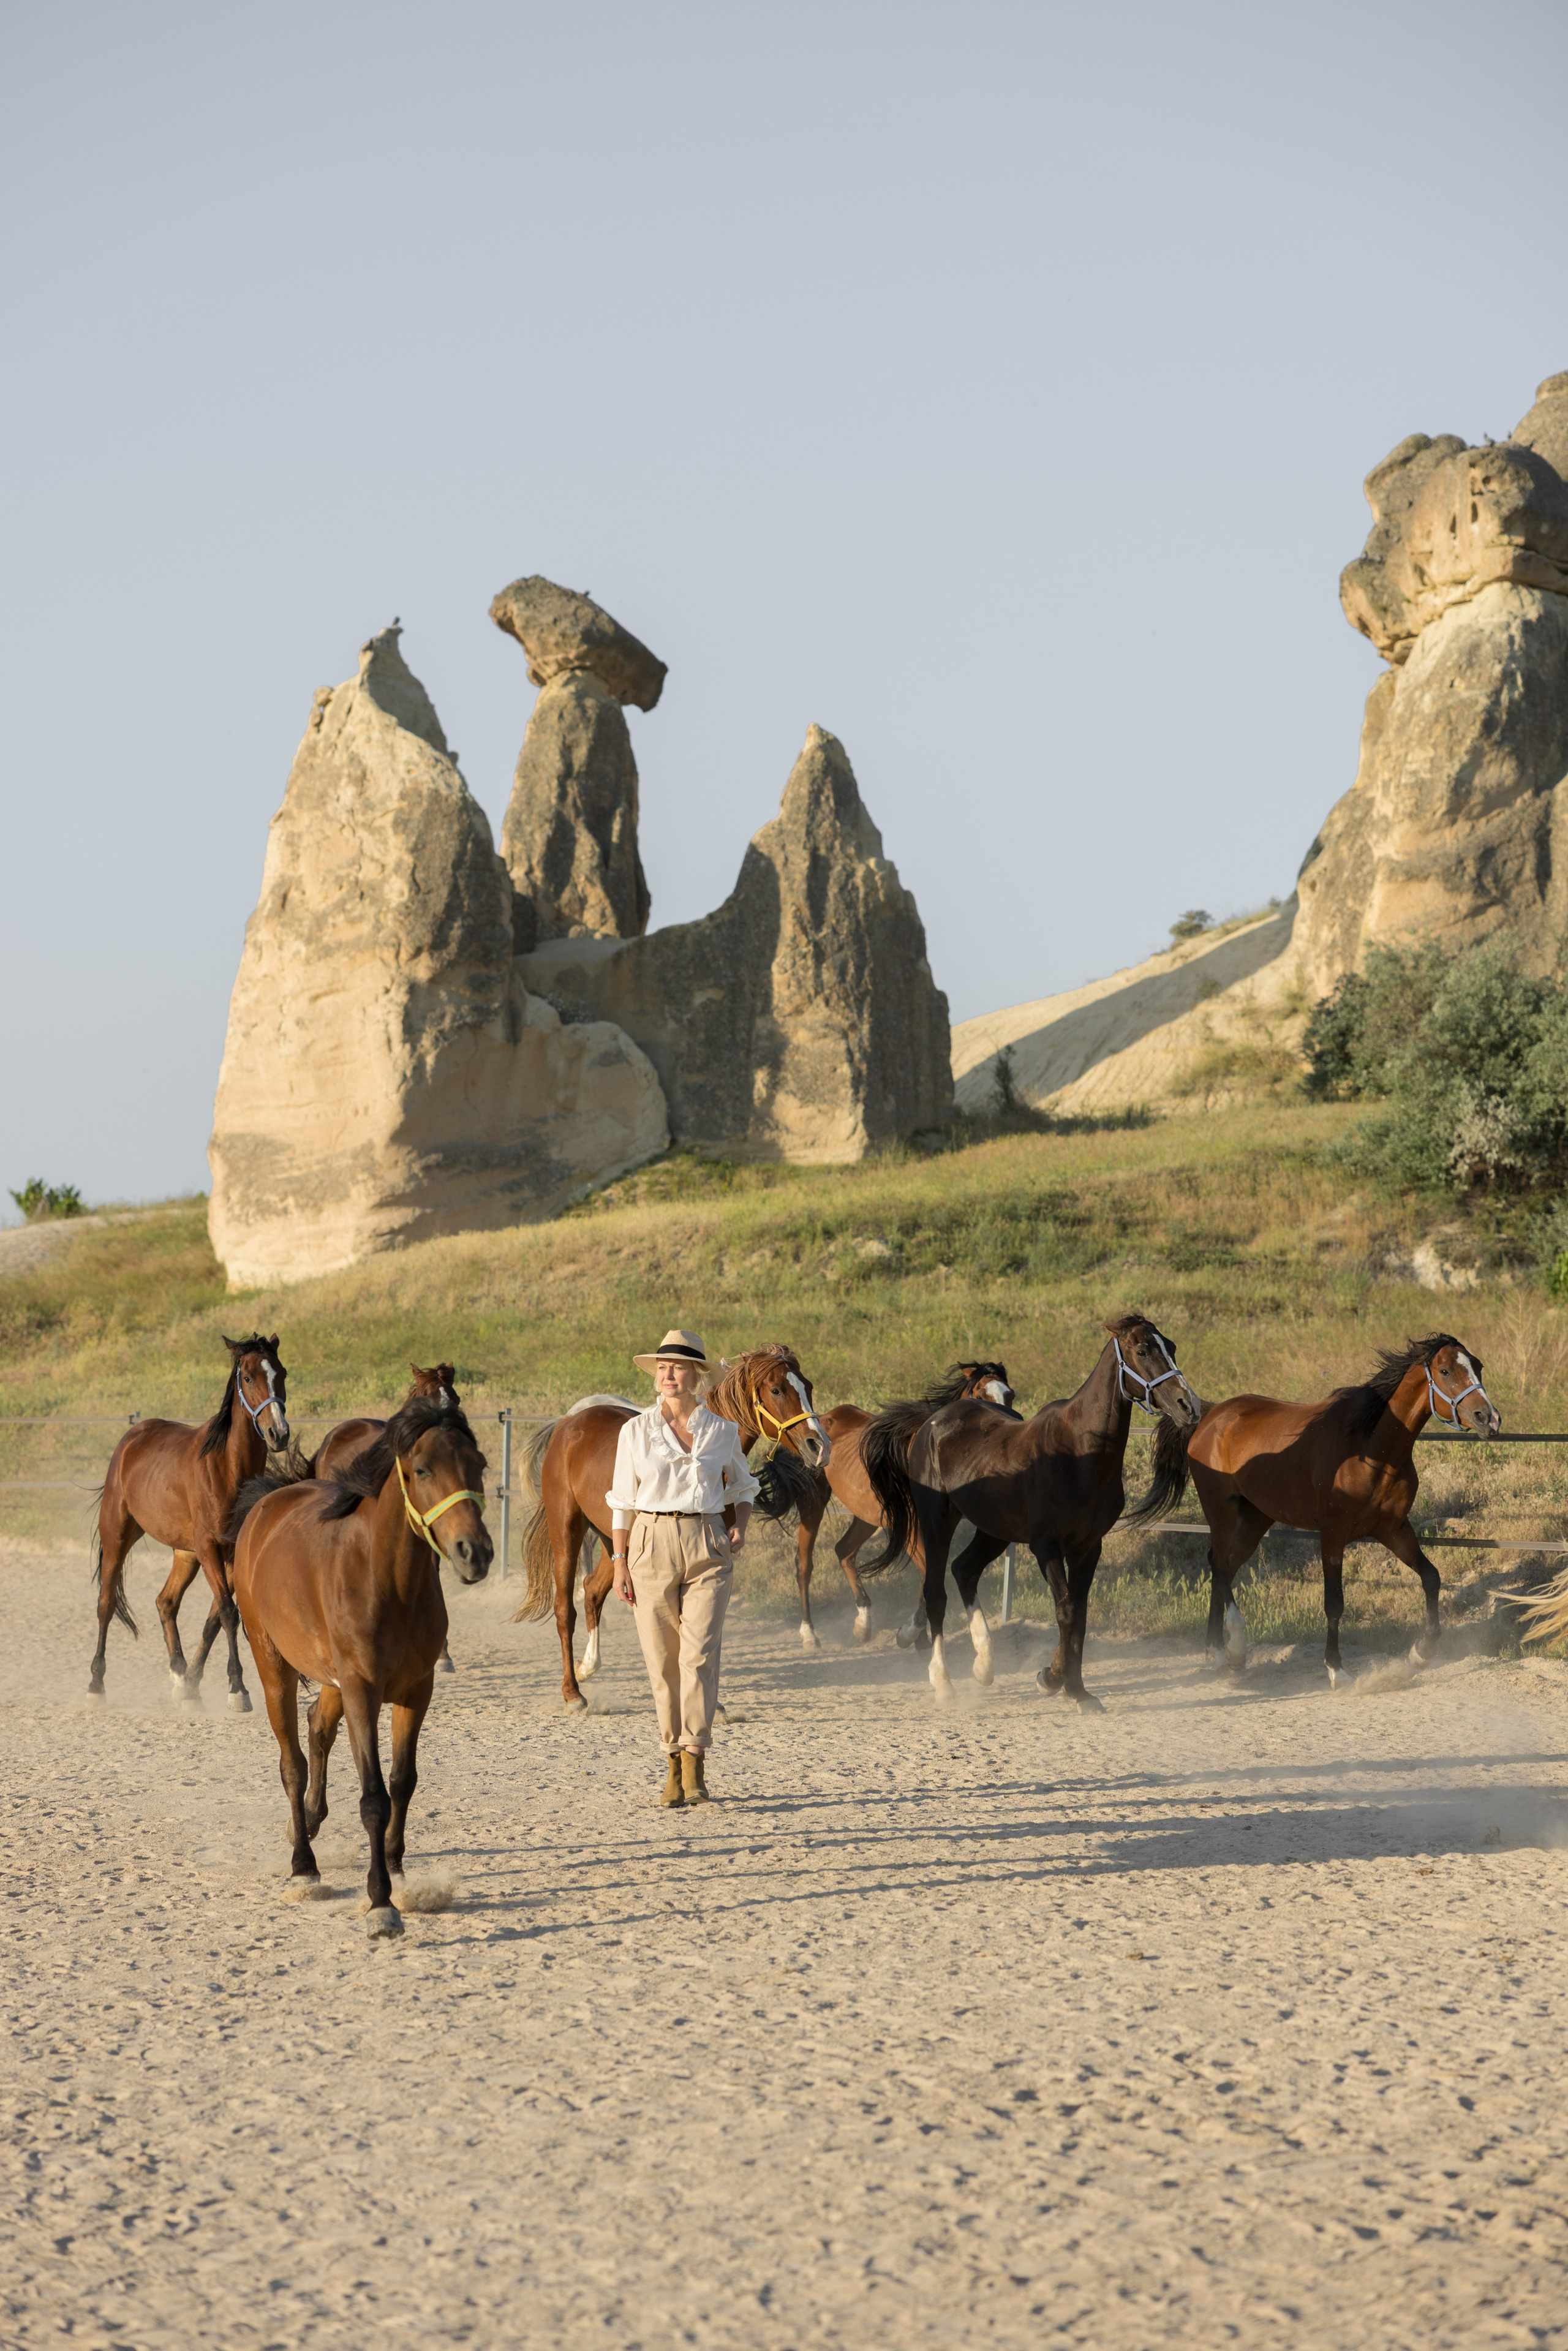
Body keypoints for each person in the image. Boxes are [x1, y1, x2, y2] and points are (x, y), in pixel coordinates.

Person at [608, 1330, 758, 1808]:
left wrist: (741, 1527)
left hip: (708, 1543)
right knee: (661, 1661)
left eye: (677, 1367)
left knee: (698, 1655)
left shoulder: (723, 1431)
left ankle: (695, 1757)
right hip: (648, 1543)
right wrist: (618, 1561)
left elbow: (743, 1486)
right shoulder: (634, 1431)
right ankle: (672, 1760)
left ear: (697, 1376)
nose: (668, 1375)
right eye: (662, 1367)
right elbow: (622, 1502)